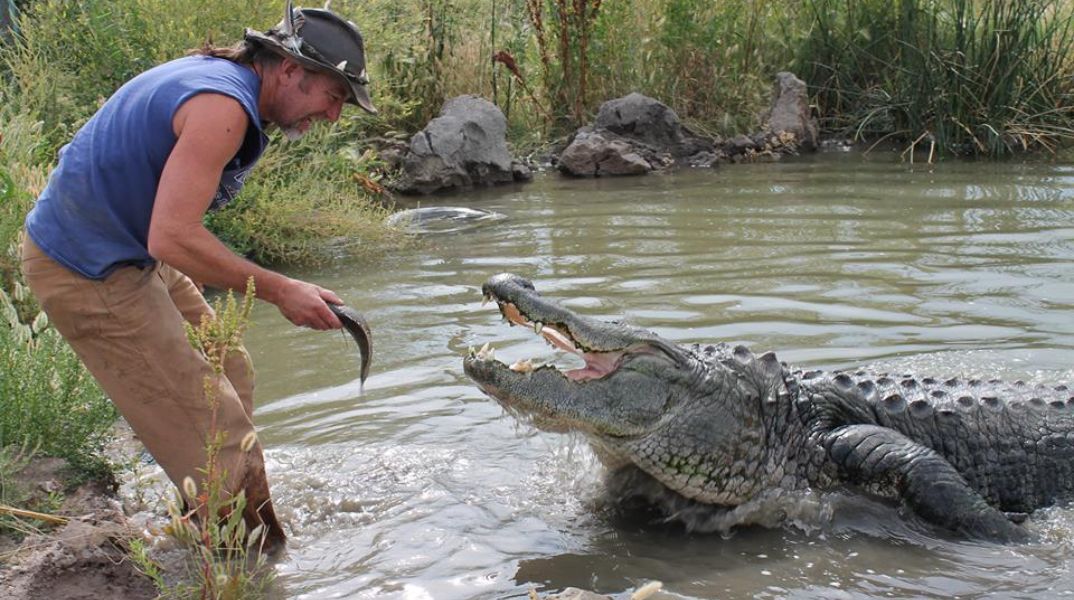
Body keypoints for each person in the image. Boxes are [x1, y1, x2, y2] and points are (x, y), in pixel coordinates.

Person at [19, 2, 377, 553]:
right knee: (221, 438)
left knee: (229, 368)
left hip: (127, 250)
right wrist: (282, 289)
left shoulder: (226, 86)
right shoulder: (222, 108)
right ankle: (251, 565)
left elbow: (165, 234)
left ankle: (199, 523)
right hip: (87, 268)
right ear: (290, 70)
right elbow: (174, 237)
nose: (333, 116)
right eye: (334, 96)